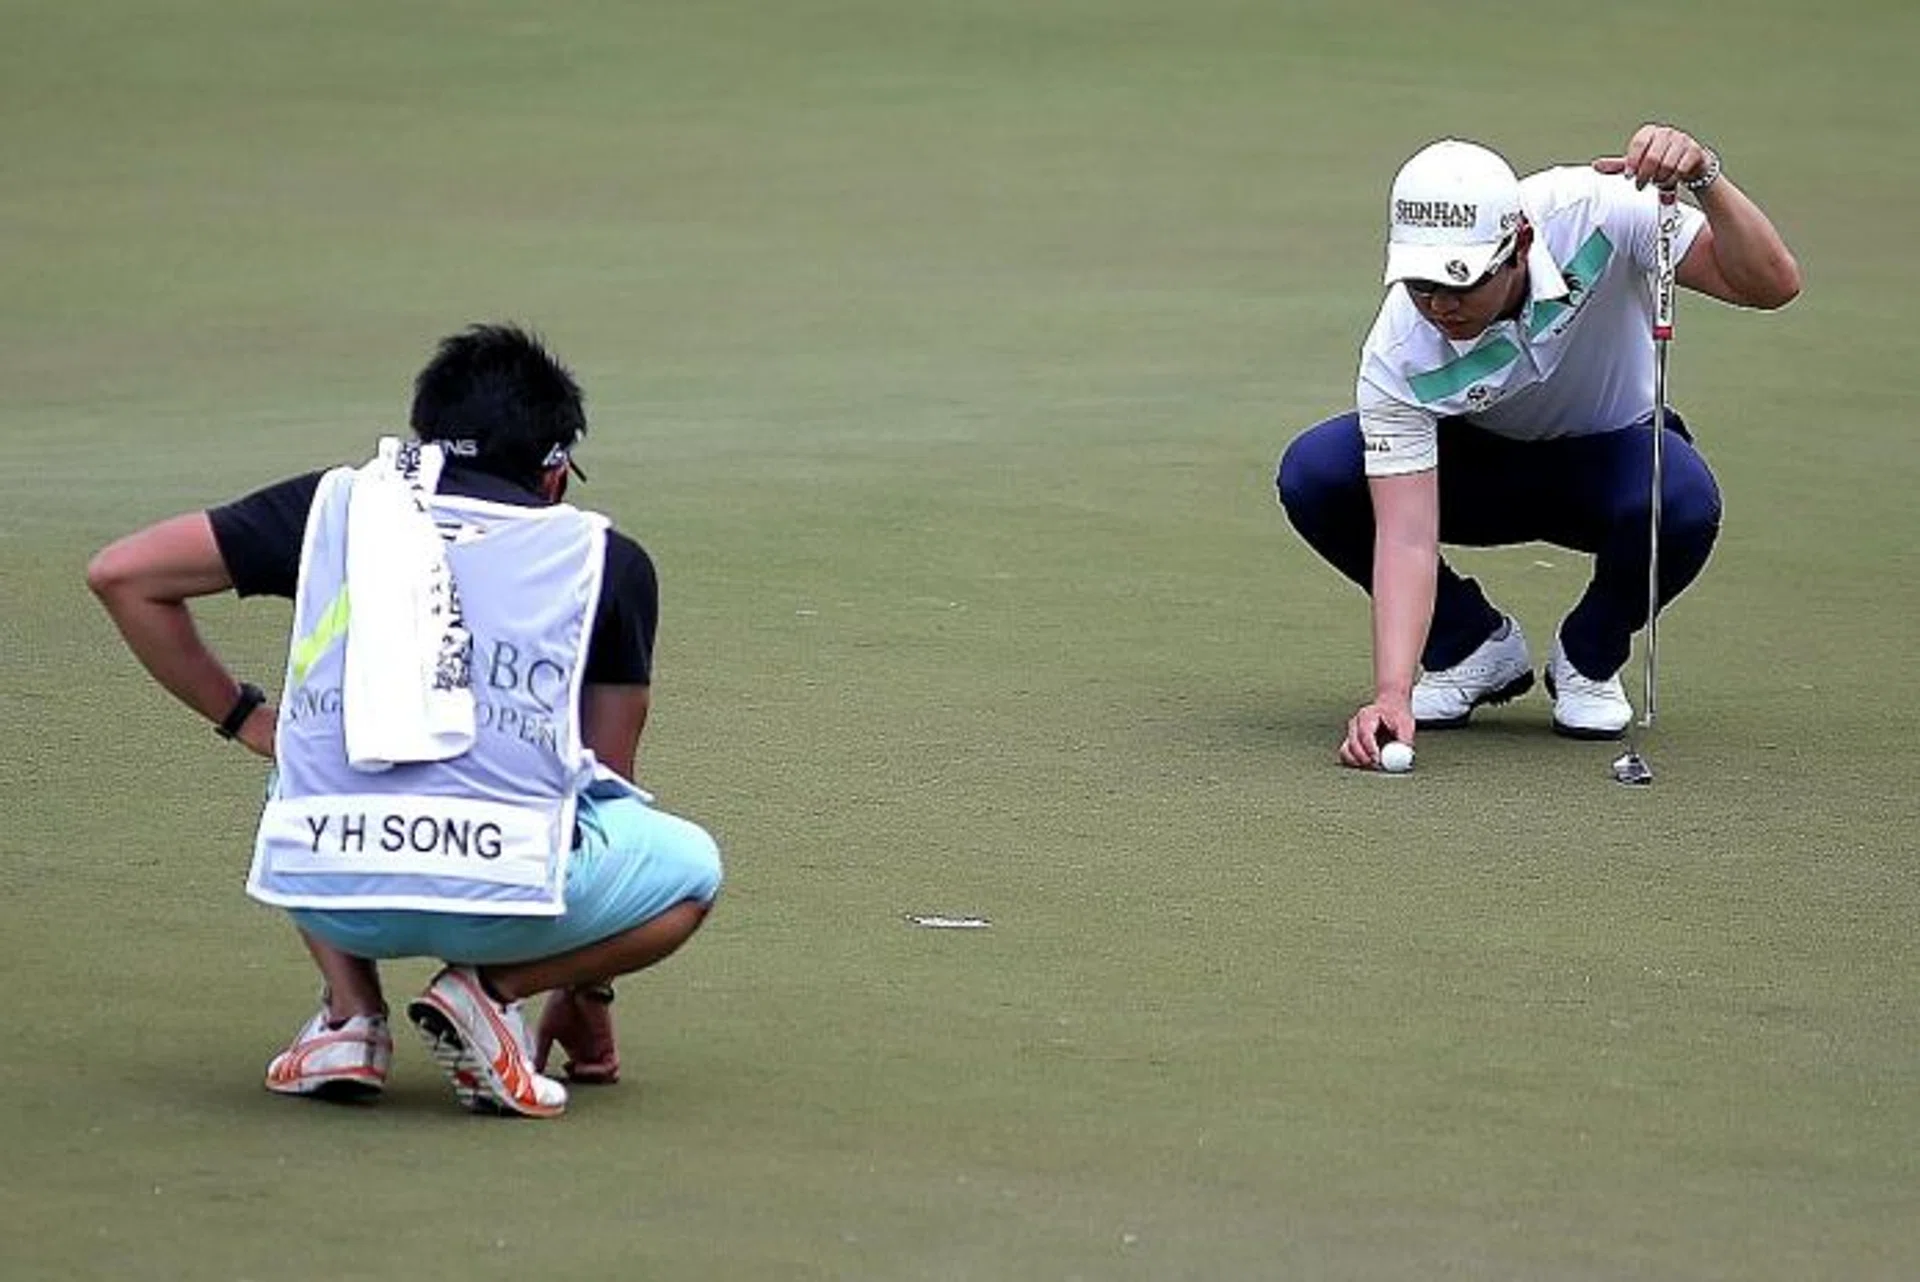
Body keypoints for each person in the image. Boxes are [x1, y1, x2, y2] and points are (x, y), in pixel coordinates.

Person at [87, 323, 723, 1117]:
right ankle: (489, 994)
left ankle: (350, 1019)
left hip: (330, 887)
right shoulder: (606, 560)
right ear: (554, 468)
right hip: (507, 904)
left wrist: (246, 716)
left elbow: (122, 574)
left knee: (313, 743)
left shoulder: (331, 508)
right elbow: (604, 786)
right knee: (693, 870)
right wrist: (583, 990)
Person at [1275, 123, 1801, 769]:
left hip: (1611, 466)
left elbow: (1771, 284)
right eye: (1421, 285)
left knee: (1683, 498)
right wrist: (1392, 693)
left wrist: (1705, 179)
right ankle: (1468, 647)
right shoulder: (1396, 353)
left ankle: (1589, 655)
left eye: (1461, 284)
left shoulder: (1600, 209)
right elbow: (1407, 536)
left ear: (1520, 242)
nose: (1439, 305)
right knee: (1317, 472)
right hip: (1477, 472)